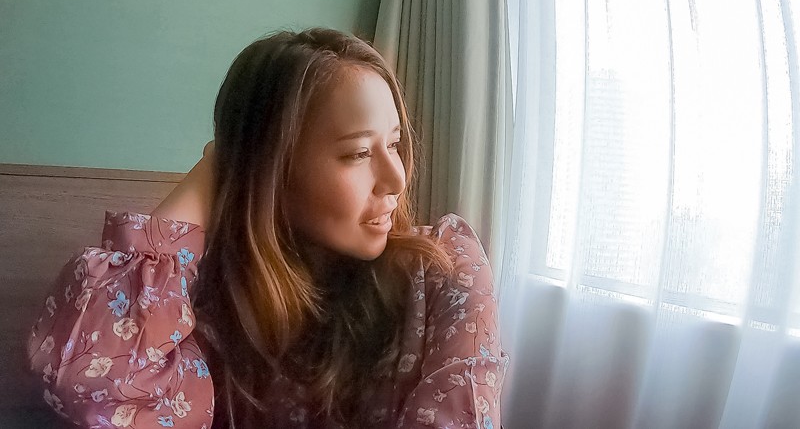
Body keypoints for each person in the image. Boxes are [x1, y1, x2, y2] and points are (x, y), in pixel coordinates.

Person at [27, 28, 508, 428]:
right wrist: (222, 164)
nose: (397, 179)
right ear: (273, 170)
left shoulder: (443, 270)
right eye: (359, 153)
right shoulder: (199, 304)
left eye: (395, 144)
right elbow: (91, 385)